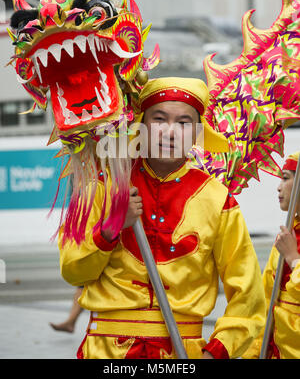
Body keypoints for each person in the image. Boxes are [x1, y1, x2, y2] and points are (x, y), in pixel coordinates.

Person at [58, 77, 265, 359]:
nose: (170, 132)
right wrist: (110, 229)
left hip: (183, 352)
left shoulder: (218, 199)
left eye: (183, 123)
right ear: (141, 125)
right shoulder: (104, 184)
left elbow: (249, 297)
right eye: (159, 119)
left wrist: (215, 353)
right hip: (106, 352)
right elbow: (73, 272)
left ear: (197, 134)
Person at [243, 151, 300, 359]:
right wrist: (255, 352)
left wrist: (294, 258)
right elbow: (267, 300)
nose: (278, 187)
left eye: (285, 178)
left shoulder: (288, 243)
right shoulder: (287, 234)